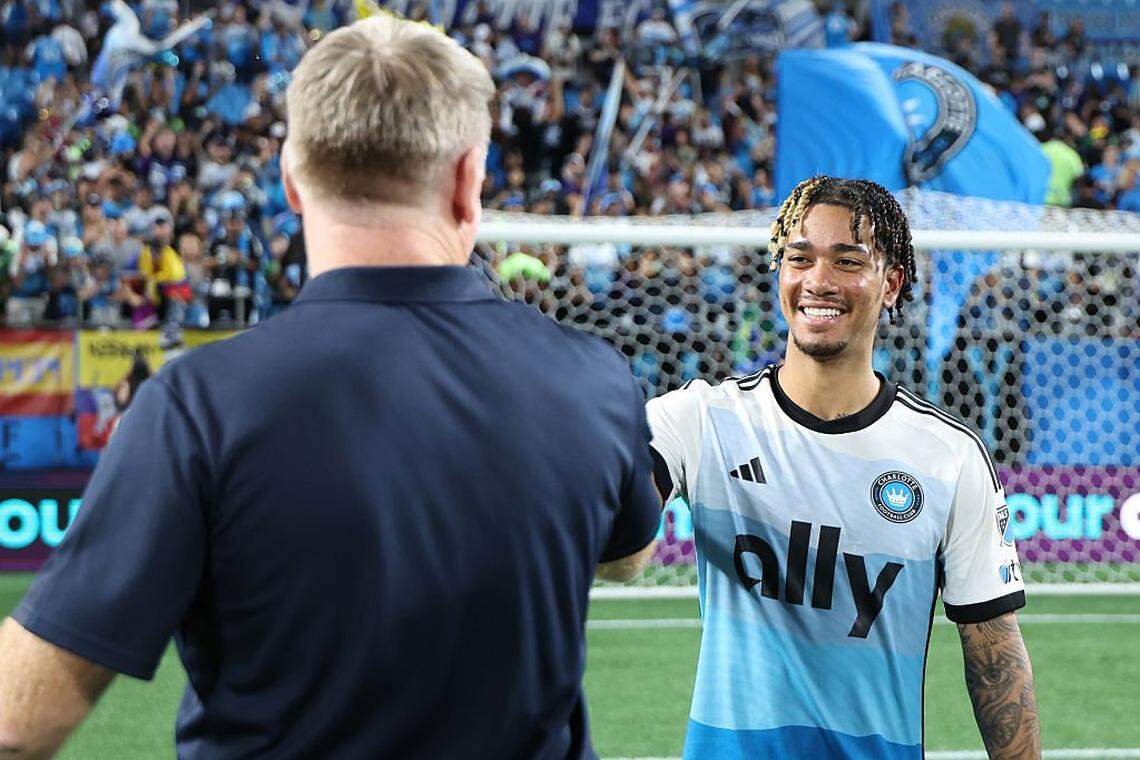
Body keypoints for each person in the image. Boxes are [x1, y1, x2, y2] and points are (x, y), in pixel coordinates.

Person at [0, 14, 661, 759]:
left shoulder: (200, 406)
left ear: (290, 179)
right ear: (470, 179)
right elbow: (630, 554)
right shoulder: (592, 377)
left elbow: (17, 724)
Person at [645, 177, 1040, 758]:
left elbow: (994, 654)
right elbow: (614, 515)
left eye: (847, 260)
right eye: (799, 258)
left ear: (891, 285)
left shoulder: (948, 456)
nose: (817, 281)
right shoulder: (701, 418)